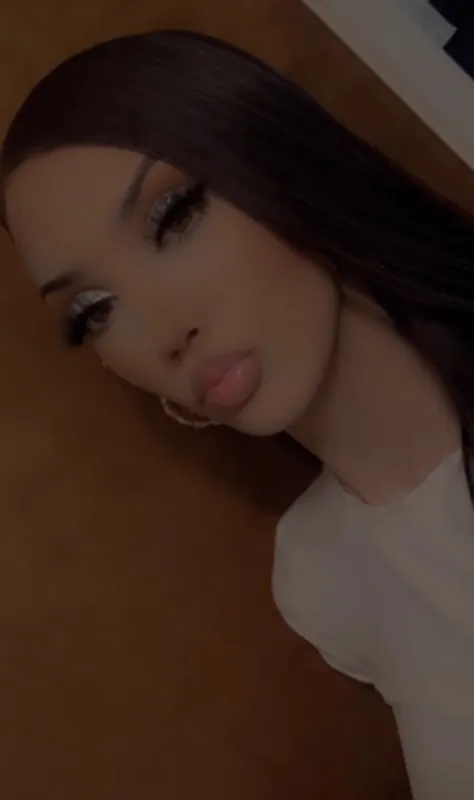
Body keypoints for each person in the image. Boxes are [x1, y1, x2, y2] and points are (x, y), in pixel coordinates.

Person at [1, 28, 474, 799]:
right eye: (93, 311)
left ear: (281, 162)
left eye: (172, 217)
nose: (163, 329)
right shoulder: (320, 579)